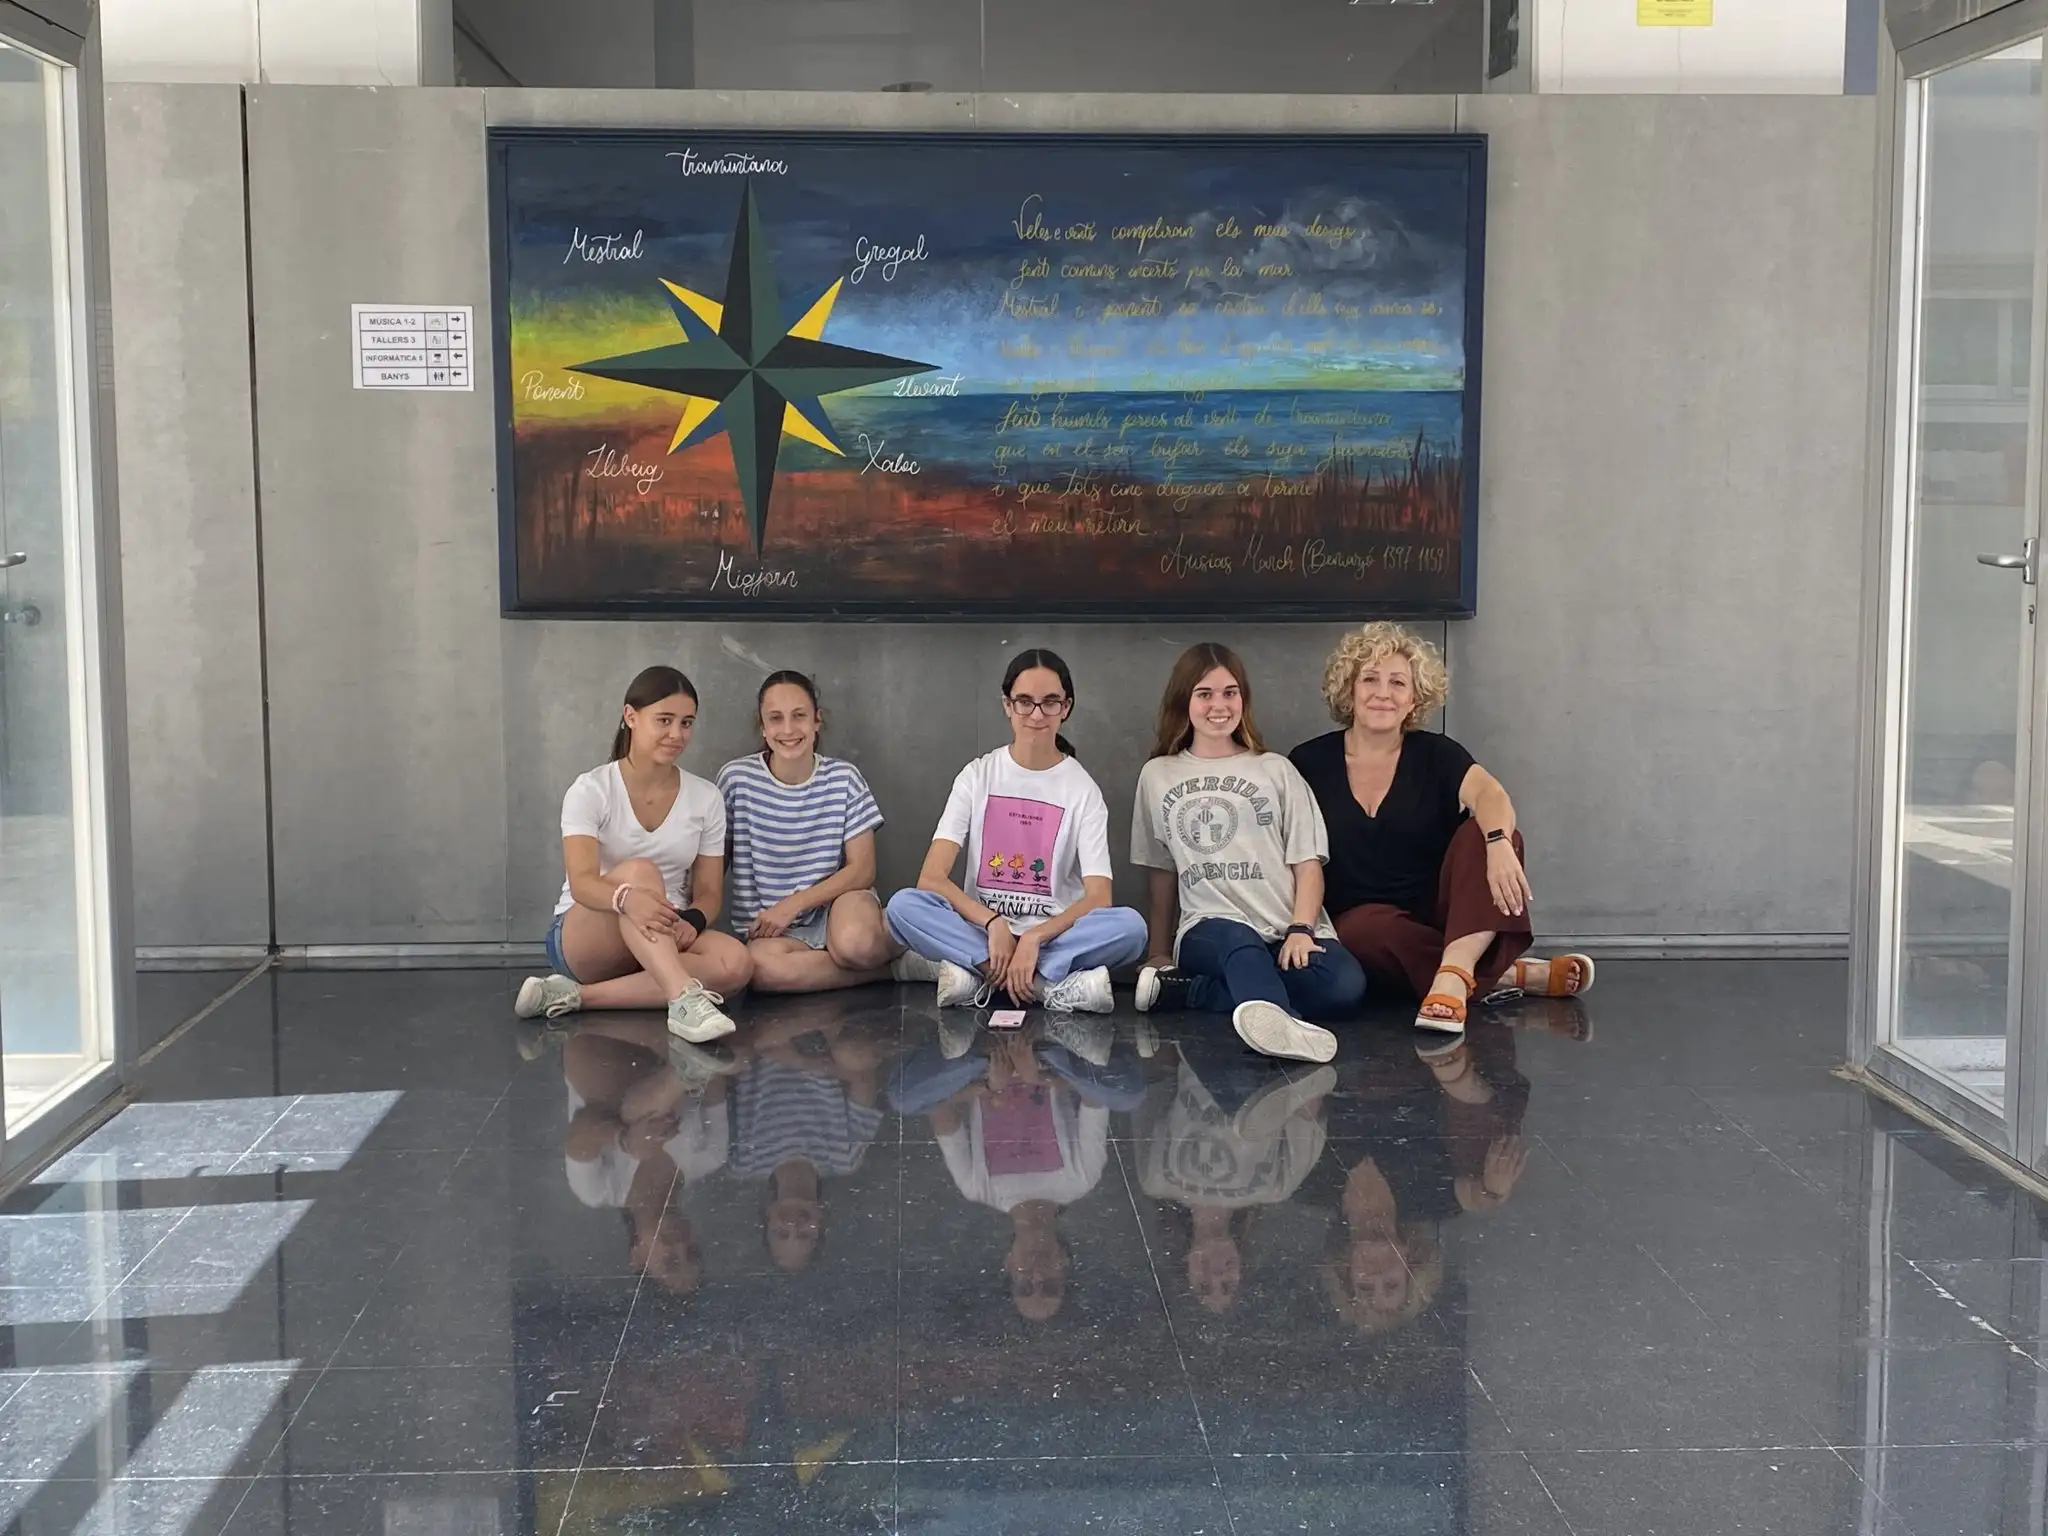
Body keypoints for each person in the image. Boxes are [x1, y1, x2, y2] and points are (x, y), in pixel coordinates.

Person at [1289, 624, 1594, 1033]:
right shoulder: (1308, 761)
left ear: (1414, 698)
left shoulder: (1436, 753)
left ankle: (1454, 974)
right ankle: (1504, 976)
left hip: (1449, 916)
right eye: (1370, 679)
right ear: (1349, 689)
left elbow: (1489, 794)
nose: (1383, 693)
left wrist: (1499, 843)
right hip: (1368, 928)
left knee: (1489, 833)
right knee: (1358, 931)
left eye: (1398, 682)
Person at [1130, 643, 1366, 1063]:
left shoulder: (1276, 769)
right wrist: (1158, 952)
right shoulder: (1158, 775)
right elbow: (1162, 871)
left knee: (1343, 986)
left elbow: (1307, 862)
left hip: (1282, 929)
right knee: (1239, 943)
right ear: (1184, 700)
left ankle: (1194, 992)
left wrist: (1301, 929)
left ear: (1244, 699)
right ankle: (1284, 1027)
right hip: (1209, 929)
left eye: (1230, 692)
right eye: (1204, 694)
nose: (1219, 705)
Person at [884, 648, 1148, 1014]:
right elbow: (931, 878)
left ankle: (981, 975)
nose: (1037, 714)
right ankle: (1042, 985)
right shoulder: (977, 776)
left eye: (1050, 702)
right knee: (903, 906)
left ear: (1066, 708)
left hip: (1054, 938)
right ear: (1007, 705)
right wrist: (993, 923)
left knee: (1131, 929)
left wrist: (1035, 937)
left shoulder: (1082, 789)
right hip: (983, 932)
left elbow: (1099, 897)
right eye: (1024, 702)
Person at [515, 666, 753, 1042]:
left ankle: (576, 997)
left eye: (686, 723)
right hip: (589, 936)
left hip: (663, 933)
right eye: (664, 720)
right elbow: (582, 883)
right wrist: (627, 899)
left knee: (736, 963)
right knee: (640, 873)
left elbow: (709, 893)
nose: (677, 734)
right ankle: (683, 999)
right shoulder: (591, 789)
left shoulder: (706, 797)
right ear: (631, 716)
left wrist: (692, 921)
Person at [717, 670, 904, 994]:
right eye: (776, 718)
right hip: (773, 933)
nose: (788, 729)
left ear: (817, 721)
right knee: (759, 970)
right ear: (763, 727)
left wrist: (793, 905)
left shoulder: (844, 777)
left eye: (799, 716)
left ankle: (880, 945)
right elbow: (714, 862)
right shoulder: (736, 780)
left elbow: (862, 869)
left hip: (838, 908)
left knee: (856, 944)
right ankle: (899, 969)